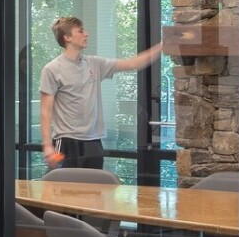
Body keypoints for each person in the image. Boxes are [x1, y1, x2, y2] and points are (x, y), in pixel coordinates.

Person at [39, 16, 162, 171]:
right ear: (67, 37)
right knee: (63, 192)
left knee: (94, 192)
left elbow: (133, 63)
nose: (86, 34)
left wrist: (162, 46)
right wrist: (47, 146)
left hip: (94, 142)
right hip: (67, 142)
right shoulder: (52, 69)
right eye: (81, 31)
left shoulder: (95, 64)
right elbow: (45, 111)